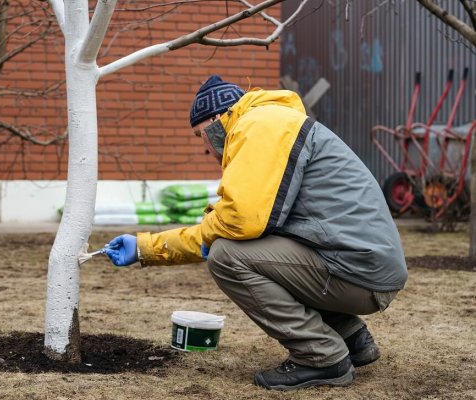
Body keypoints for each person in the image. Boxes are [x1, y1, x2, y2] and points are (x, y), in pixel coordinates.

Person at [105, 75, 408, 391]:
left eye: (200, 137)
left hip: (359, 272)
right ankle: (351, 337)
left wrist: (151, 246)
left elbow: (240, 219)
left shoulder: (259, 125)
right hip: (362, 265)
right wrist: (145, 247)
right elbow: (250, 223)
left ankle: (321, 357)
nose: (205, 150)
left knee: (227, 257)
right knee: (253, 248)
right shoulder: (272, 122)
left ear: (215, 121)